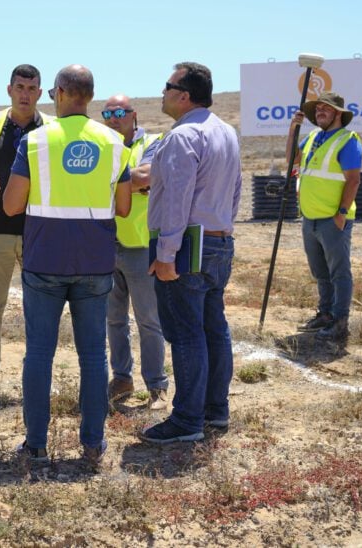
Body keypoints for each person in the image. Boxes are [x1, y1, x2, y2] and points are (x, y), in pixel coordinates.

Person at [3, 64, 132, 464]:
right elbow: (124, 207)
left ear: (57, 93)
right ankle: (93, 443)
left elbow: (11, 206)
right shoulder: (114, 143)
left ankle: (36, 444)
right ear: (90, 97)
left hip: (45, 262)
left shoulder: (36, 141)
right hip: (95, 263)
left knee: (39, 354)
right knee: (94, 356)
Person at [142, 62, 242, 444]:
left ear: (184, 95)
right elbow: (235, 190)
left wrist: (167, 253)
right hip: (218, 239)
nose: (163, 92)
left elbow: (177, 198)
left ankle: (187, 420)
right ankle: (215, 411)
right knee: (213, 328)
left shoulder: (184, 136)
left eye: (168, 86)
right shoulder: (226, 132)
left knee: (186, 334)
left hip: (186, 244)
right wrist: (222, 229)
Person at [0, 64, 51, 401]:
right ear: (9, 90)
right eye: (20, 87)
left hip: (38, 236)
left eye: (31, 89)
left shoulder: (50, 129)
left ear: (41, 93)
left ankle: (39, 378)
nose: (25, 94)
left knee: (41, 310)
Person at [101, 94, 169, 409]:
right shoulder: (104, 145)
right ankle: (122, 377)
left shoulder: (153, 142)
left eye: (120, 112)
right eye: (108, 113)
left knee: (148, 320)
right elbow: (136, 182)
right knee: (114, 319)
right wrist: (132, 185)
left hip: (141, 245)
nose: (114, 118)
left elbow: (147, 176)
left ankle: (157, 387)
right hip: (107, 244)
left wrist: (111, 183)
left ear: (134, 115)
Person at [287, 92, 362, 342]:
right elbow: (291, 162)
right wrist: (292, 130)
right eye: (317, 109)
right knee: (320, 271)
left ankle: (340, 321)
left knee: (339, 272)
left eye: (325, 108)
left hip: (333, 218)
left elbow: (353, 180)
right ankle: (325, 314)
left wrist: (341, 213)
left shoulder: (347, 140)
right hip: (310, 217)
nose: (319, 112)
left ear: (338, 114)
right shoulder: (311, 138)